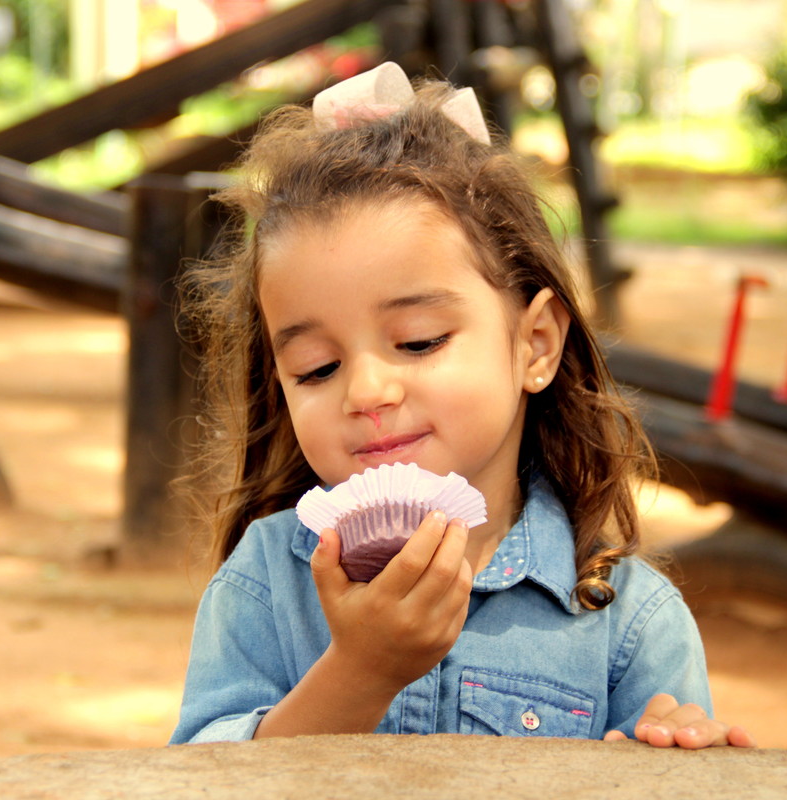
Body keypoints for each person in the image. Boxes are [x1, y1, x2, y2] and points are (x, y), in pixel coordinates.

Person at [169, 62, 754, 749]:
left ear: (535, 344)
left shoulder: (628, 624)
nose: (366, 391)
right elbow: (203, 783)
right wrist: (359, 672)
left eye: (418, 343)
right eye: (316, 368)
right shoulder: (266, 583)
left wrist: (682, 765)